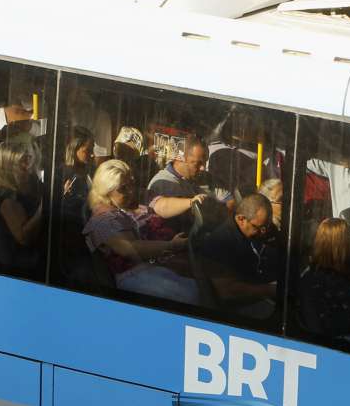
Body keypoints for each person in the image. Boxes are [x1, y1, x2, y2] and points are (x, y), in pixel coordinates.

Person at [83, 159, 197, 303]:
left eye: (131, 184)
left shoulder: (116, 210)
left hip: (148, 269)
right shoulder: (103, 219)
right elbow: (129, 248)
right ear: (107, 191)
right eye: (123, 188)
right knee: (192, 296)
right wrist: (172, 245)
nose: (131, 191)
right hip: (133, 277)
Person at [198, 193, 279, 317]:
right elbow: (227, 291)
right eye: (259, 228)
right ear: (241, 219)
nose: (263, 233)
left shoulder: (248, 232)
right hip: (235, 310)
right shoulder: (221, 242)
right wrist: (270, 290)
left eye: (266, 227)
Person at [146, 136, 232, 230]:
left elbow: (229, 200)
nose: (202, 168)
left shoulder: (205, 177)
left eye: (204, 163)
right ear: (179, 159)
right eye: (197, 164)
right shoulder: (164, 184)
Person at [0, 138, 43, 270]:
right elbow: (23, 238)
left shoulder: (29, 178)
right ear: (8, 165)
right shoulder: (5, 194)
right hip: (18, 262)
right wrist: (44, 207)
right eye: (21, 161)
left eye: (28, 158)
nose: (28, 164)